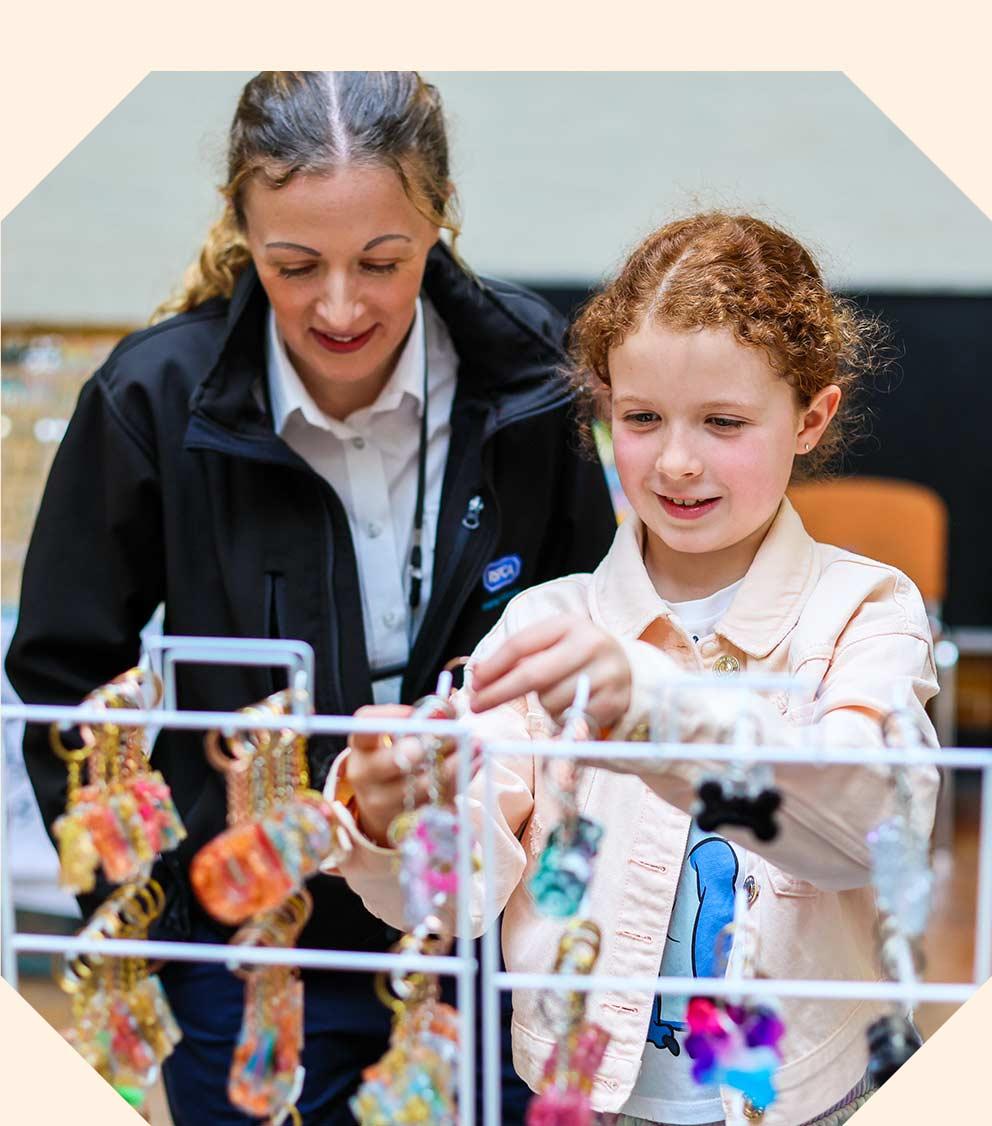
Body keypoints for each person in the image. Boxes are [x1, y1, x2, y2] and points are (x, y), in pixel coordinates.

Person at [5, 71, 617, 1124]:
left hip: (481, 914)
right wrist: (138, 916)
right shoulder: (153, 396)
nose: (340, 306)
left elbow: (594, 624)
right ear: (244, 234)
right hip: (246, 937)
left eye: (381, 261)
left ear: (437, 222)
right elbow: (64, 672)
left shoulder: (528, 381)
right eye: (295, 266)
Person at [327, 212, 940, 1125]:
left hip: (817, 1097)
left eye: (724, 422)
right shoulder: (546, 623)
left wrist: (654, 714)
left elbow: (867, 832)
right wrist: (390, 813)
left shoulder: (867, 611)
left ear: (811, 418)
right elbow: (459, 897)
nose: (677, 460)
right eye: (642, 418)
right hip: (590, 1098)